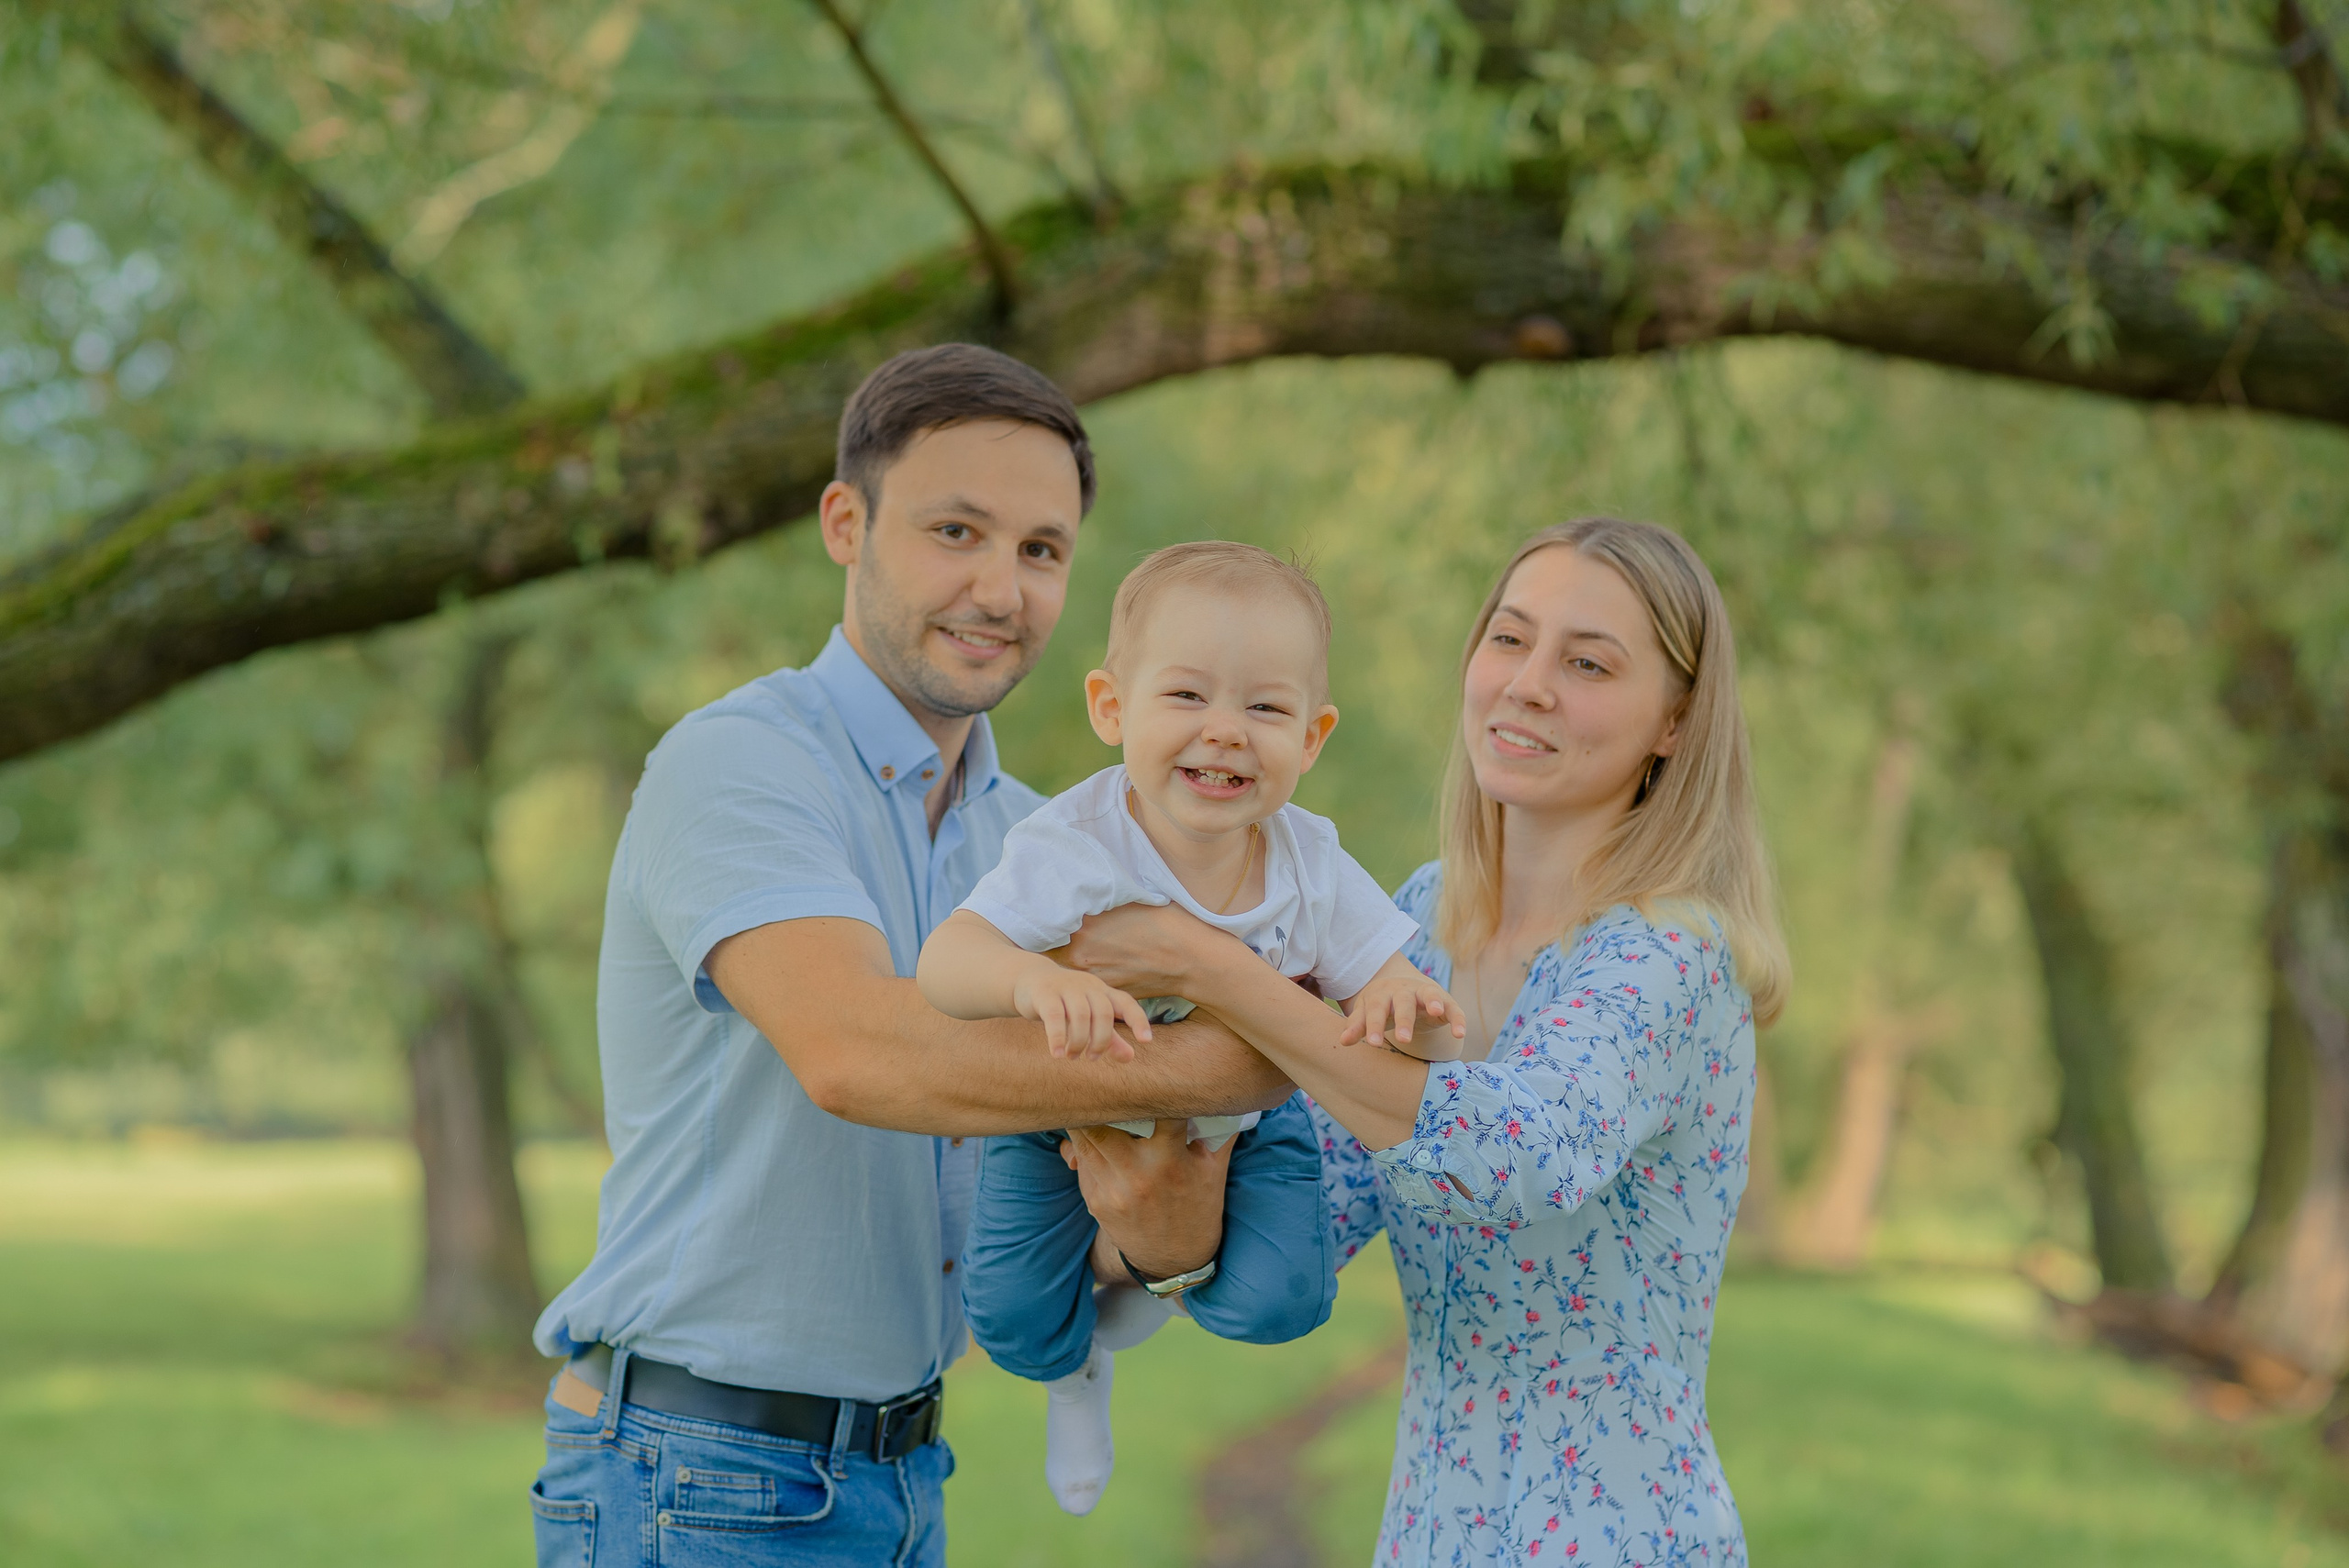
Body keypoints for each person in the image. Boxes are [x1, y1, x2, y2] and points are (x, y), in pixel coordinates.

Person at [525, 344, 1291, 1568]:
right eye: (956, 531)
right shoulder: (739, 767)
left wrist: (1159, 1221)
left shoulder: (1041, 840)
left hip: (900, 1477)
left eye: (1041, 550)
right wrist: (1233, 1063)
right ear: (847, 523)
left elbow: (1049, 1190)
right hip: (697, 1477)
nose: (1000, 587)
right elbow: (857, 1053)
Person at [1055, 517, 1788, 1566]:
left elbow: (1513, 1155)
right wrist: (1139, 1223)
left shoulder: (1671, 950)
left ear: (1674, 720)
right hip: (1433, 1532)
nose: (1528, 683)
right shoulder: (1421, 922)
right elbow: (1321, 1198)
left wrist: (1209, 966)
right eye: (1509, 638)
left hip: (1619, 1539)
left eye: (1585, 662)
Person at [917, 540, 1464, 1515]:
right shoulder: (1077, 842)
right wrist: (1026, 983)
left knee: (1283, 1304)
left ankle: (1136, 1277)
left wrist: (1394, 998)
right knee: (1007, 1317)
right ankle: (1074, 1377)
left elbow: (1391, 986)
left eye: (1264, 707)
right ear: (1111, 708)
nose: (1225, 733)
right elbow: (944, 963)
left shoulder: (1310, 861)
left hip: (1247, 1127)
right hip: (1066, 1112)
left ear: (1313, 735)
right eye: (1186, 698)